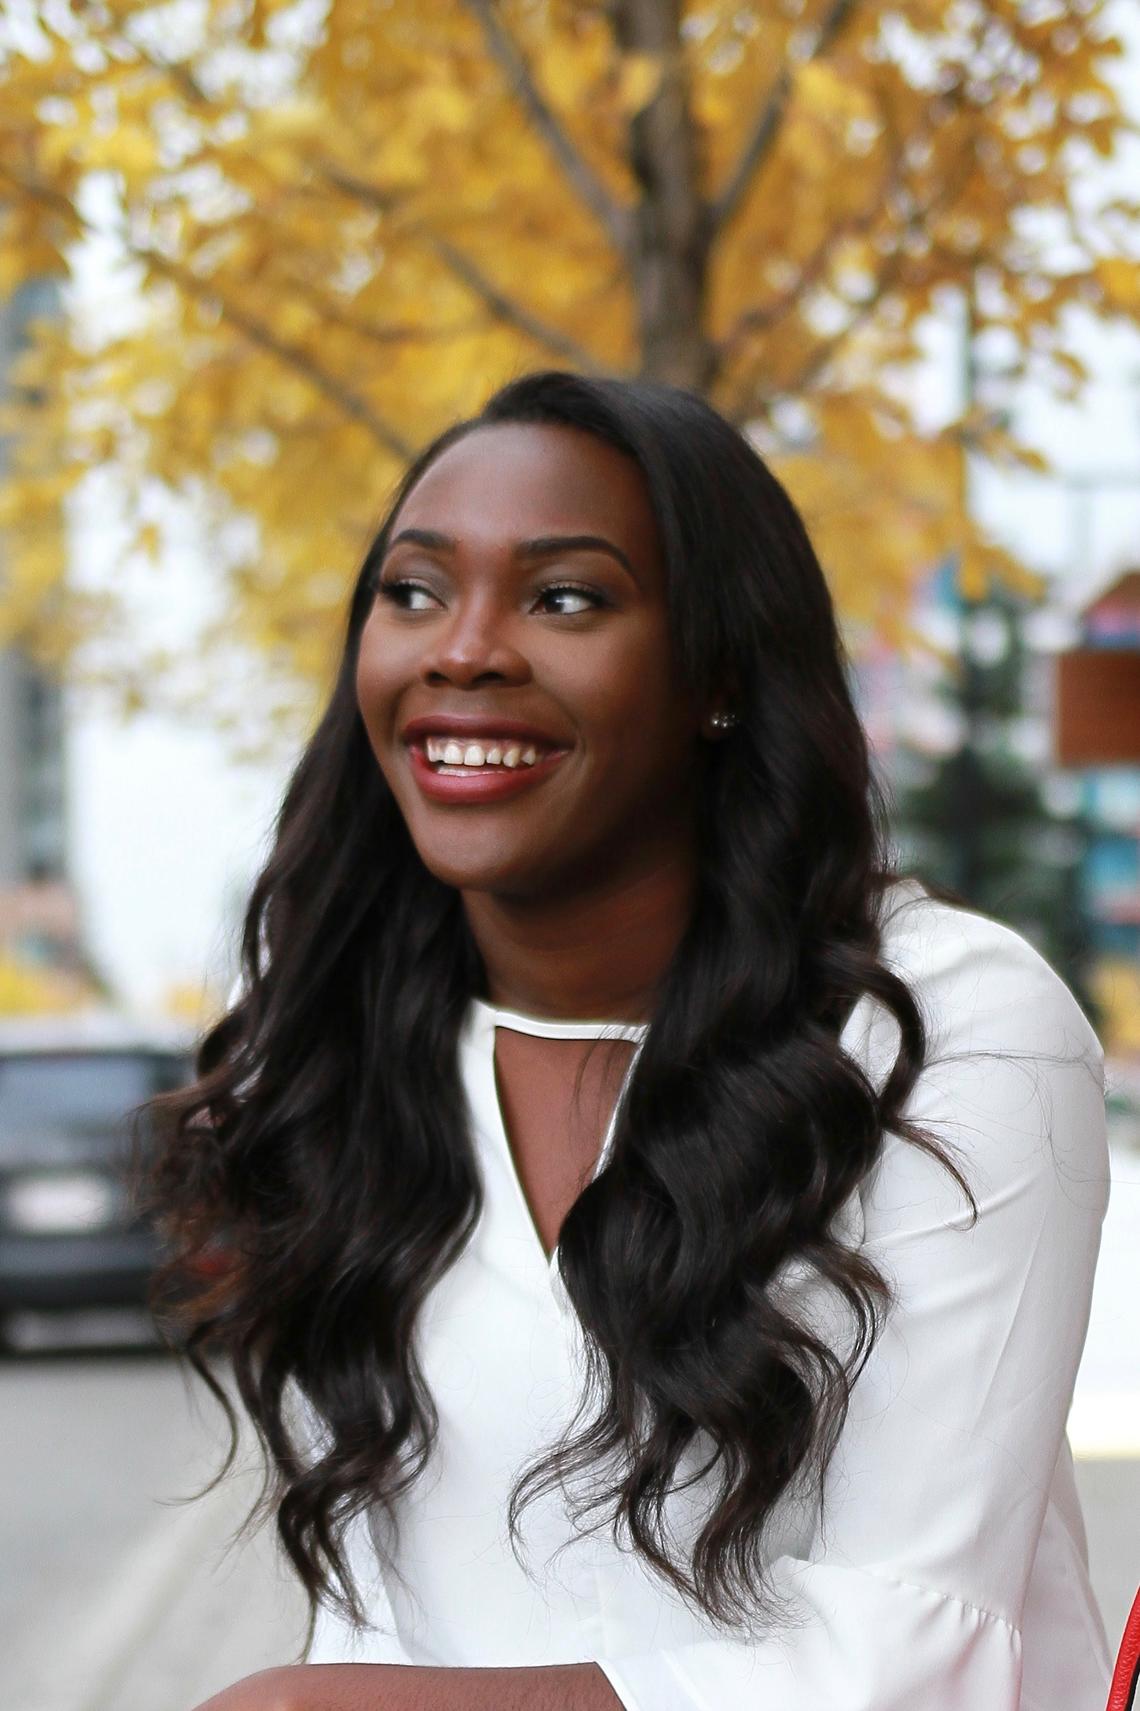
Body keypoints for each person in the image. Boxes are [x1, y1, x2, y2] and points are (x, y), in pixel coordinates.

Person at [146, 371, 1112, 1711]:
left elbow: (920, 1650)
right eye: (413, 592)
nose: (462, 649)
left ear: (717, 672)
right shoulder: (351, 1056)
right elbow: (381, 1615)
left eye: (565, 599)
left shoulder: (952, 1032)